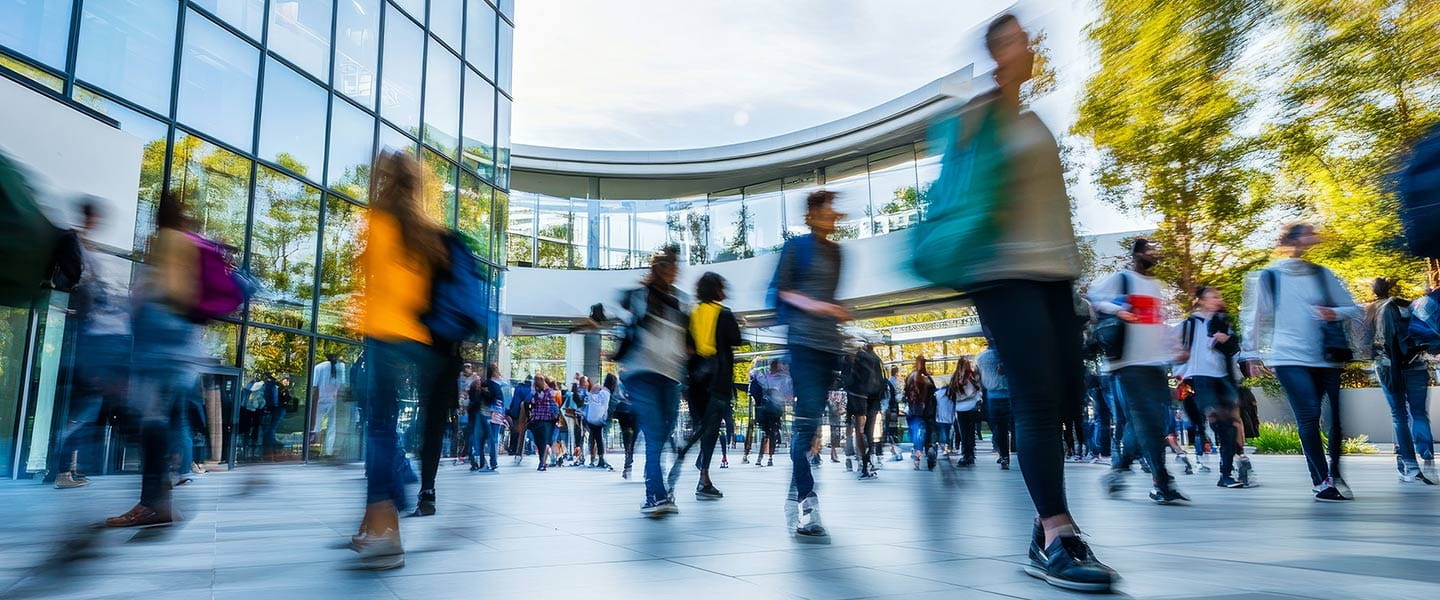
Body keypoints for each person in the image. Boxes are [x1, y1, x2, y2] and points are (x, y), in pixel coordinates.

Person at [934, 14, 1117, 590]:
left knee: (1064, 397)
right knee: (1038, 401)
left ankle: (1045, 529)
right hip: (1001, 271)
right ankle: (1056, 534)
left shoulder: (1034, 120)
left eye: (1029, 38)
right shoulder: (977, 116)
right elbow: (955, 194)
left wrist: (1075, 281)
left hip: (1051, 275)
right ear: (996, 51)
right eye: (1016, 39)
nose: (1029, 46)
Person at [347, 150, 452, 569]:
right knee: (384, 428)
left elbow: (370, 284)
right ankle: (374, 519)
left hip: (383, 335)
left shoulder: (377, 220)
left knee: (378, 427)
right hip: (415, 338)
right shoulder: (426, 231)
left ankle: (387, 524)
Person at [1239, 222, 1362, 502]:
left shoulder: (1322, 274)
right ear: (1292, 239)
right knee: (1308, 416)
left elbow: (1353, 308)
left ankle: (1335, 471)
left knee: (1336, 421)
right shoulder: (1268, 276)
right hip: (1288, 356)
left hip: (1326, 356)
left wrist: (1332, 313)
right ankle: (1321, 481)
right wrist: (1251, 354)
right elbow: (1254, 317)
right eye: (1308, 234)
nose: (1314, 238)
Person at [103, 191, 202, 528]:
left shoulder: (163, 241)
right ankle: (161, 500)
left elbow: (163, 290)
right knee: (168, 420)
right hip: (183, 342)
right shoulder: (191, 243)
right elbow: (188, 294)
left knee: (152, 422)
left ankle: (154, 503)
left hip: (159, 337)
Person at [770, 190, 849, 542]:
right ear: (813, 214)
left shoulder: (837, 252)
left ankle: (794, 488)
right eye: (828, 207)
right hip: (803, 343)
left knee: (813, 427)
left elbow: (831, 298)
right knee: (805, 428)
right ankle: (806, 502)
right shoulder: (795, 248)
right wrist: (820, 307)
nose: (835, 213)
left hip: (828, 347)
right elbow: (782, 292)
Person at [1090, 238, 1189, 506]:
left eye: (1157, 250)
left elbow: (1160, 322)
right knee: (1147, 420)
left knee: (1152, 421)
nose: (1155, 254)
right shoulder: (1120, 279)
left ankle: (1120, 468)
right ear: (1137, 254)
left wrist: (1175, 348)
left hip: (1155, 362)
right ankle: (1162, 481)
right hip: (1127, 363)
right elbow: (1094, 300)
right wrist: (1120, 311)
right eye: (1149, 250)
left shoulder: (1159, 287)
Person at [54, 198, 133, 489]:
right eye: (95, 218)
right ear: (88, 218)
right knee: (85, 408)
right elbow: (77, 284)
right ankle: (64, 470)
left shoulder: (87, 247)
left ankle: (70, 468)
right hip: (94, 339)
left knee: (89, 408)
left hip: (99, 339)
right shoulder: (74, 243)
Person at [618, 245, 688, 516]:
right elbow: (621, 318)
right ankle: (656, 495)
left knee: (662, 432)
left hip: (670, 376)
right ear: (659, 268)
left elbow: (685, 341)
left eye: (676, 266)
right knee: (655, 434)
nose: (674, 271)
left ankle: (657, 493)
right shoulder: (638, 296)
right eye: (670, 266)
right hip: (641, 374)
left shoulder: (680, 300)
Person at [1177, 287, 1253, 488]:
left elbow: (1234, 348)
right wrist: (1182, 374)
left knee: (1229, 424)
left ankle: (1227, 473)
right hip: (1200, 378)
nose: (1217, 300)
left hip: (1223, 377)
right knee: (1218, 421)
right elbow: (1177, 352)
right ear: (1200, 300)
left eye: (1219, 296)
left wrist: (1227, 340)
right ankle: (1226, 470)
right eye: (1212, 297)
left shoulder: (1223, 321)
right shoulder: (1189, 324)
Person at [1366, 277, 1436, 482]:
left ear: (1374, 291)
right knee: (1419, 413)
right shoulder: (1410, 305)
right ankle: (1427, 454)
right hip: (1416, 364)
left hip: (1388, 367)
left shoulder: (1373, 309)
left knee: (1399, 415)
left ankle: (1410, 466)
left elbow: (1366, 341)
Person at [679, 272, 742, 500]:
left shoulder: (691, 313)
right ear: (717, 289)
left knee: (702, 426)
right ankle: (703, 477)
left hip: (696, 382)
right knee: (711, 430)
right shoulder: (724, 314)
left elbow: (686, 347)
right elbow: (736, 338)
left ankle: (700, 469)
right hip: (718, 381)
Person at [845, 342, 885, 479]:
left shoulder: (855, 358)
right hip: (874, 399)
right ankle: (870, 459)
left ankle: (864, 462)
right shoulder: (876, 359)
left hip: (858, 398)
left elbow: (847, 380)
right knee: (869, 431)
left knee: (859, 431)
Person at [978, 343, 1012, 470]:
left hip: (991, 397)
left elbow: (980, 377)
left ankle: (1002, 453)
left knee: (997, 428)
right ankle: (1006, 455)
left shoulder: (981, 358)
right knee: (1006, 428)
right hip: (1007, 395)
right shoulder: (1005, 355)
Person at [310, 354, 348, 458]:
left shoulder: (319, 367)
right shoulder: (341, 368)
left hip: (321, 400)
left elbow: (314, 387)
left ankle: (314, 449)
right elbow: (342, 386)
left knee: (316, 425)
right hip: (333, 400)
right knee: (331, 427)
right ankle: (328, 451)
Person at [904, 356, 937, 471]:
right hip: (929, 410)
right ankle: (930, 450)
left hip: (914, 411)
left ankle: (917, 458)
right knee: (929, 432)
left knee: (917, 435)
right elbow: (934, 393)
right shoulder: (928, 378)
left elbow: (906, 394)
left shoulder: (910, 377)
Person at [949, 357, 983, 466]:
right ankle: (970, 454)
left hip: (960, 408)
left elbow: (951, 393)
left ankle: (966, 454)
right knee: (970, 431)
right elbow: (979, 388)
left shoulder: (955, 377)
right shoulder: (972, 376)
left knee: (963, 432)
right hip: (972, 406)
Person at [608, 374, 638, 479]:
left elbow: (615, 398)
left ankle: (628, 462)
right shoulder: (636, 385)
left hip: (623, 413)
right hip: (633, 414)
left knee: (627, 437)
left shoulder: (619, 386)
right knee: (632, 438)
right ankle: (629, 458)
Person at [526, 376, 557, 471]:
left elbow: (553, 405)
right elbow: (527, 401)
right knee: (539, 442)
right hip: (537, 419)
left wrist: (554, 416)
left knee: (543, 442)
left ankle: (542, 462)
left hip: (546, 420)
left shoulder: (549, 392)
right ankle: (541, 461)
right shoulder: (534, 393)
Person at [584, 377, 612, 470]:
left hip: (592, 420)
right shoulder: (604, 394)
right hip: (599, 420)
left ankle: (594, 458)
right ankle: (599, 458)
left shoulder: (592, 397)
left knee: (594, 439)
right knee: (598, 439)